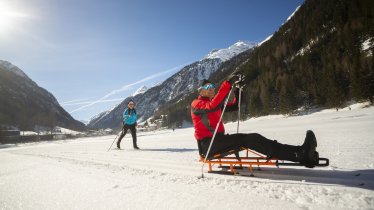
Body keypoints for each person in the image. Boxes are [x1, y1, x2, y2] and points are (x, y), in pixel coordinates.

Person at [191, 75, 320, 168]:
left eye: (213, 86)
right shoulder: (196, 104)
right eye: (208, 86)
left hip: (219, 141)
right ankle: (300, 154)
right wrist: (227, 84)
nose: (212, 88)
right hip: (208, 146)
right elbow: (212, 107)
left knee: (253, 138)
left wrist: (238, 90)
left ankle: (298, 152)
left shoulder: (215, 103)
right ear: (200, 90)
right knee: (248, 139)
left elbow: (236, 105)